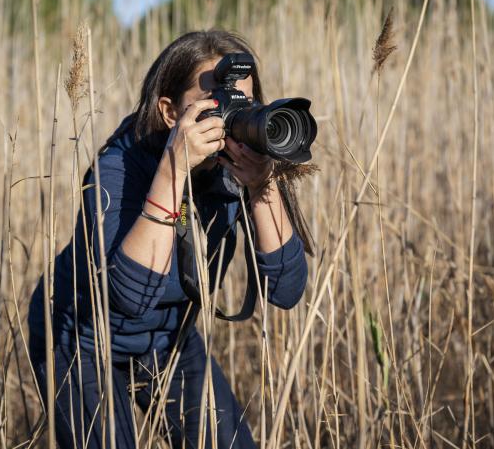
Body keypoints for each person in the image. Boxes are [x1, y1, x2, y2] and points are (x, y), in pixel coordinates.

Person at [27, 29, 313, 449]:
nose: (230, 120)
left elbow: (286, 291)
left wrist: (260, 186)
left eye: (244, 105)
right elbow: (129, 296)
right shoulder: (116, 171)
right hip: (82, 341)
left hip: (169, 339)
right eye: (216, 105)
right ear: (168, 112)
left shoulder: (240, 168)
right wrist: (174, 169)